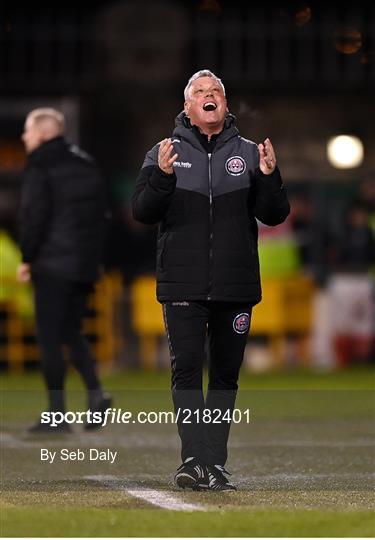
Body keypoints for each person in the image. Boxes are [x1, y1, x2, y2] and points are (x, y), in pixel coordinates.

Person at [132, 70, 290, 491]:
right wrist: (163, 177)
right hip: (182, 284)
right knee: (186, 371)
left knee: (224, 376)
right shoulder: (162, 153)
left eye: (215, 91)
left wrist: (271, 177)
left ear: (225, 104)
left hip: (235, 284)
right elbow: (143, 212)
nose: (209, 96)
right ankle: (192, 459)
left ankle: (214, 463)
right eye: (200, 92)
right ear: (187, 107)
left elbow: (274, 214)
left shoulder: (251, 153)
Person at [17, 108, 112, 432]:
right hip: (85, 264)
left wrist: (27, 257)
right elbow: (103, 214)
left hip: (53, 262)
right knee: (71, 330)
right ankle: (97, 392)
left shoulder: (41, 163)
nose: (24, 138)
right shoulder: (86, 161)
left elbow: (34, 215)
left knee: (49, 337)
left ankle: (56, 415)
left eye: (27, 132)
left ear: (42, 133)